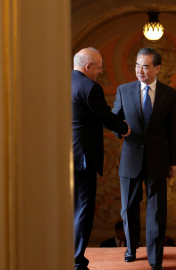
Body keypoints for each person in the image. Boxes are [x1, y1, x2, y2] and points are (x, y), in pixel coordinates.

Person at [112, 47, 176, 270]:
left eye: (145, 66)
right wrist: (121, 130)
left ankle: (155, 258)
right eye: (137, 65)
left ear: (157, 68)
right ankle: (131, 249)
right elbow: (114, 122)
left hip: (158, 160)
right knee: (129, 208)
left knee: (157, 212)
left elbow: (173, 131)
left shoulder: (170, 94)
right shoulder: (124, 90)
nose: (140, 70)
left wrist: (174, 162)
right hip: (130, 159)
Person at [72, 47, 131, 270]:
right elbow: (105, 116)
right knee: (83, 210)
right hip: (83, 158)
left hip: (60, 158)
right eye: (98, 67)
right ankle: (77, 261)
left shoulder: (59, 82)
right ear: (88, 67)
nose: (100, 71)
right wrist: (125, 128)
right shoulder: (90, 87)